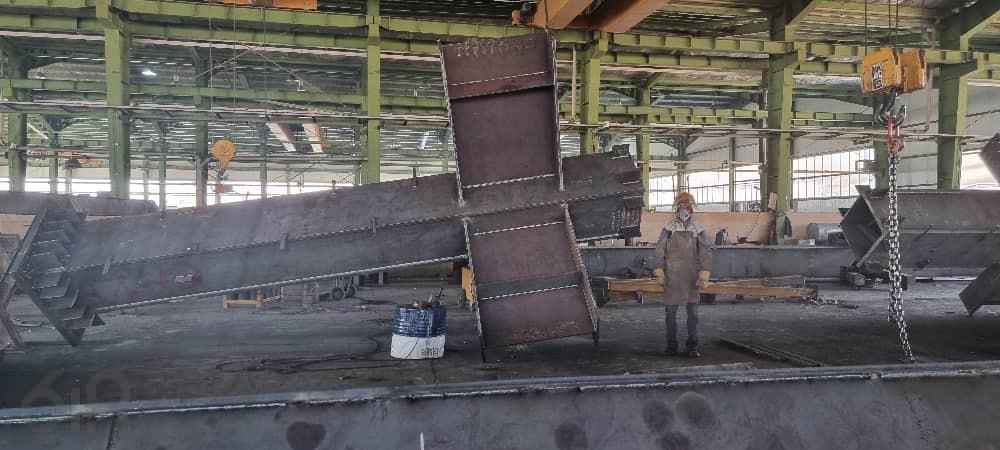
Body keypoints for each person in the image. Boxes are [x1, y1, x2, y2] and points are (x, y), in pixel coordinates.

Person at [653, 192, 714, 357]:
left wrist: (704, 272)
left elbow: (705, 251)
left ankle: (692, 346)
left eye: (687, 207)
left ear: (691, 209)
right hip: (672, 277)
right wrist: (659, 270)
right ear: (677, 209)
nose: (684, 210)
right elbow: (659, 249)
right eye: (682, 207)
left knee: (693, 314)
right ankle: (671, 346)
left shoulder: (698, 228)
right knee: (670, 314)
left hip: (691, 277)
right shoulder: (668, 228)